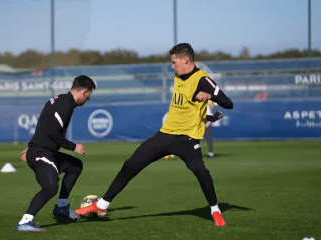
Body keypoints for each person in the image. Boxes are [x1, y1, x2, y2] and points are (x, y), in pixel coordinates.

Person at [75, 43, 233, 227]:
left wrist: (209, 95)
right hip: (164, 136)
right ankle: (101, 205)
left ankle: (215, 210)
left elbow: (228, 103)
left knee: (201, 172)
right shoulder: (178, 75)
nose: (172, 66)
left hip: (187, 139)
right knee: (131, 164)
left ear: (186, 60)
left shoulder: (203, 80)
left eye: (174, 62)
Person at [15, 75, 96, 232]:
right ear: (84, 92)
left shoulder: (61, 100)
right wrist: (74, 147)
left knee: (75, 166)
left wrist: (33, 145)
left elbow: (44, 122)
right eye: (88, 96)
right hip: (41, 153)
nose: (87, 100)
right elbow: (54, 133)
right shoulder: (65, 105)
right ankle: (25, 222)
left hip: (42, 150)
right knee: (50, 188)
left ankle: (61, 208)